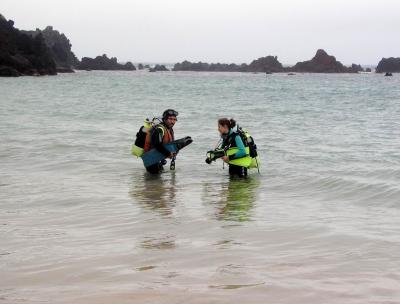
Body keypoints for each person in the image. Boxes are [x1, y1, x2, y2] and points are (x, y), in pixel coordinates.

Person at [144, 109, 178, 174]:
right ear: (164, 119)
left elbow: (167, 143)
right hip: (151, 160)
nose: (173, 122)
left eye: (174, 119)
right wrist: (168, 153)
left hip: (157, 160)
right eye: (170, 119)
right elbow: (157, 145)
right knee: (154, 181)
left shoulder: (168, 128)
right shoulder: (159, 129)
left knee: (157, 181)